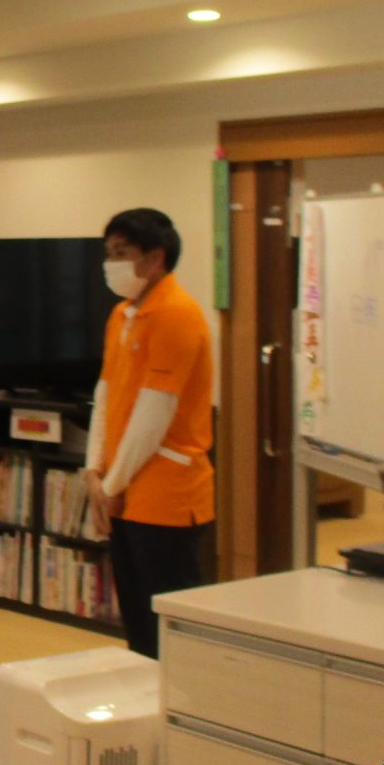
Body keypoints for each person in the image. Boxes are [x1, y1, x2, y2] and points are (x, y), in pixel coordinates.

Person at [85, 208, 216, 658]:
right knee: (137, 623)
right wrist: (93, 469)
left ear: (155, 258)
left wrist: (110, 486)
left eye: (121, 253)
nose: (111, 264)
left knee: (170, 626)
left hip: (165, 495)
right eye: (108, 254)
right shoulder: (121, 314)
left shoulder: (177, 313)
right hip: (122, 489)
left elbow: (153, 415)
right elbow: (105, 393)